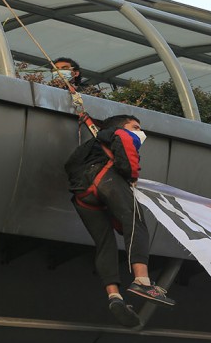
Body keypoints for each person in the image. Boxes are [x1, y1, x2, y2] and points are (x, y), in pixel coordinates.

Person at [64, 114, 175, 327]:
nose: (140, 132)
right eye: (136, 126)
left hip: (82, 195)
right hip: (105, 179)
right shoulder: (121, 133)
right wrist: (132, 176)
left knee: (105, 244)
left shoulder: (90, 147)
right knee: (135, 220)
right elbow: (128, 157)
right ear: (122, 127)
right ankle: (142, 281)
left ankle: (114, 296)